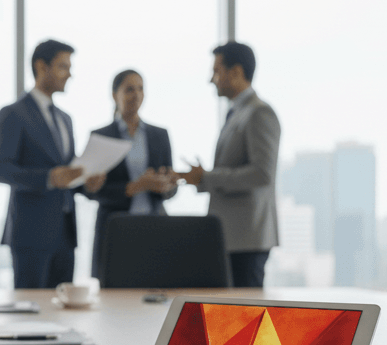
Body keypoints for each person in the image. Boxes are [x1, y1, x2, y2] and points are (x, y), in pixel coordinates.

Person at [0, 40, 105, 289]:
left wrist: (87, 184)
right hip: (31, 234)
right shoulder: (13, 114)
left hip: (65, 235)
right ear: (41, 67)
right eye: (63, 66)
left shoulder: (66, 119)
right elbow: (1, 170)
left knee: (62, 318)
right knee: (31, 318)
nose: (70, 74)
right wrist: (48, 178)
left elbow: (67, 174)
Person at [177, 42, 280, 288]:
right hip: (233, 238)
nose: (212, 79)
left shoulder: (259, 113)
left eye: (216, 71)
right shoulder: (237, 113)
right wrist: (201, 179)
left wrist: (207, 177)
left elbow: (261, 175)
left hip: (247, 239)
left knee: (247, 317)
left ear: (235, 71)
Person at [84, 69, 176, 280]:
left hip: (154, 225)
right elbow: (92, 191)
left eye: (141, 88)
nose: (136, 95)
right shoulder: (101, 136)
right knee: (114, 294)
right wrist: (136, 186)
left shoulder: (159, 135)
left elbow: (172, 187)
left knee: (155, 288)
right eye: (129, 89)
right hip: (115, 228)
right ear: (115, 94)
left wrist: (165, 185)